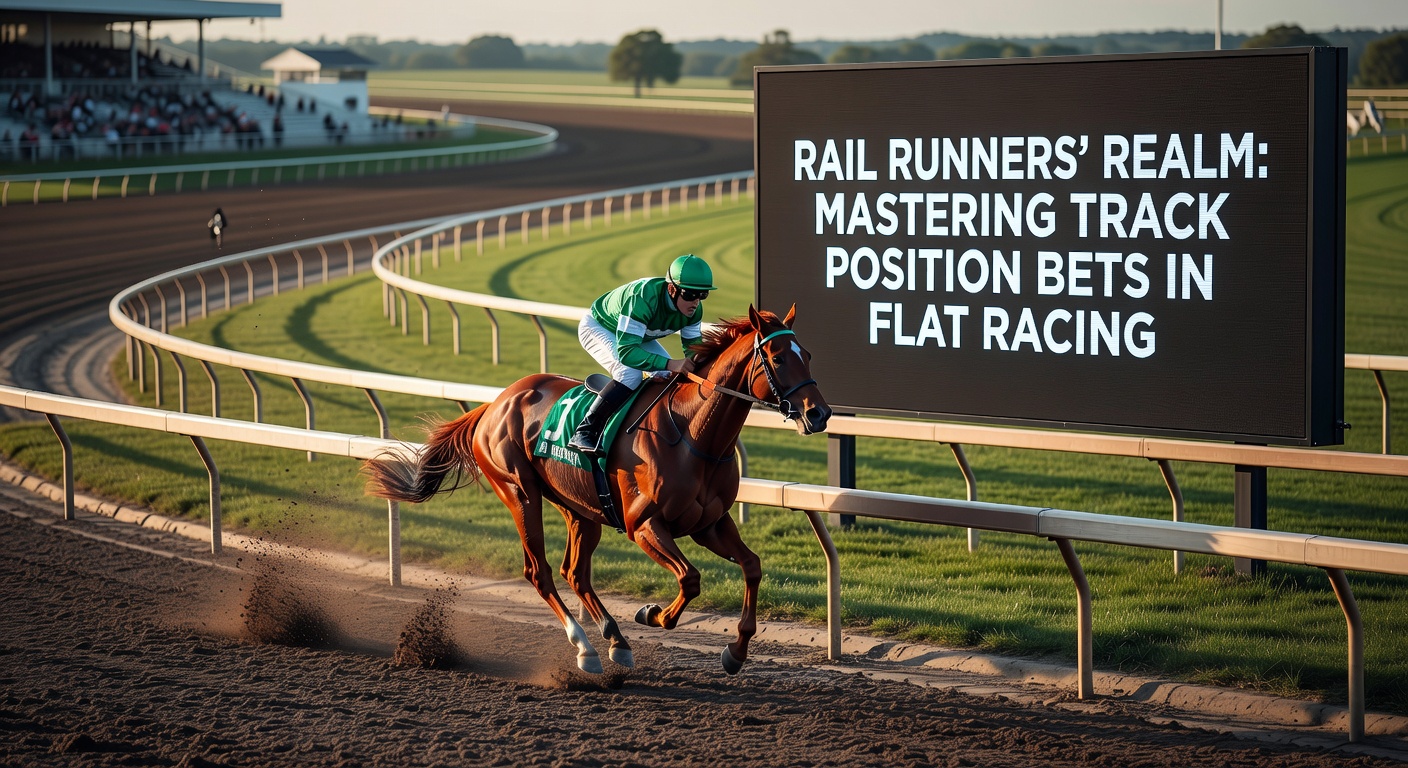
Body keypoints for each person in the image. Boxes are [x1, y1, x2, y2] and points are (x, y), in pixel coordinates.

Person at [568, 254, 716, 456]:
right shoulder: (643, 298)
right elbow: (627, 352)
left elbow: (694, 351)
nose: (696, 302)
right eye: (690, 295)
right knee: (629, 373)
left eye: (702, 295)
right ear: (672, 289)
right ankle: (585, 430)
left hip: (637, 337)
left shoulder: (693, 311)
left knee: (665, 377)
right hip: (599, 327)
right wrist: (671, 363)